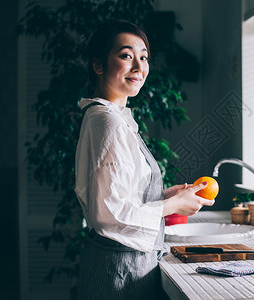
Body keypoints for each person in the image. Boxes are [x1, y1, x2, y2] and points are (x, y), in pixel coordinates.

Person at [74, 20, 214, 299]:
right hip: (120, 270)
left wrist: (164, 195)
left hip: (123, 266)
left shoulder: (112, 118)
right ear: (98, 65)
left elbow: (118, 196)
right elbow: (108, 215)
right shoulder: (108, 122)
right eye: (126, 55)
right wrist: (172, 204)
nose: (139, 67)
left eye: (144, 57)